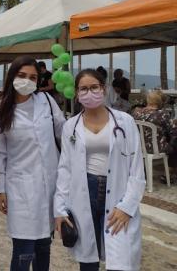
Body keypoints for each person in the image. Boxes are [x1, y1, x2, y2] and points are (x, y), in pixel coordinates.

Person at [54, 69, 145, 271]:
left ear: (103, 89)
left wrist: (127, 207)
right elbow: (65, 170)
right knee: (88, 260)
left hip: (117, 196)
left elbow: (137, 169)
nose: (89, 92)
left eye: (94, 87)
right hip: (84, 193)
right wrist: (59, 209)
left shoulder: (124, 121)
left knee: (121, 260)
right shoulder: (71, 126)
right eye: (83, 89)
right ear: (77, 94)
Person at [0, 56, 65, 271]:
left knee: (44, 245)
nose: (27, 81)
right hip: (20, 187)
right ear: (12, 76)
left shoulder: (46, 102)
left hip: (49, 185)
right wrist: (1, 189)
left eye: (33, 77)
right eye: (22, 76)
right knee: (24, 249)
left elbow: (63, 131)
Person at [133, 90, 177, 182]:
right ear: (160, 102)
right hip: (156, 148)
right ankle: (168, 173)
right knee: (175, 141)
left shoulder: (137, 113)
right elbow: (171, 131)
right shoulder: (162, 114)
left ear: (148, 101)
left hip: (140, 148)